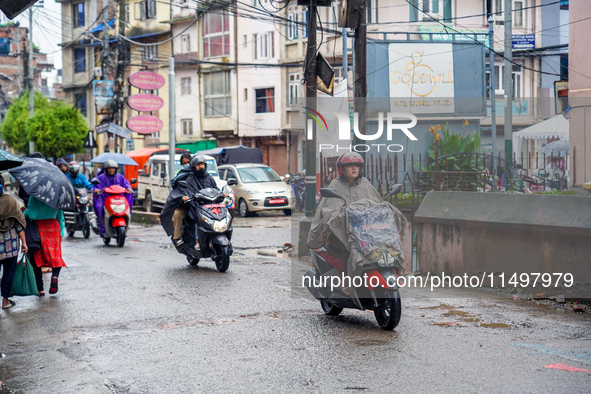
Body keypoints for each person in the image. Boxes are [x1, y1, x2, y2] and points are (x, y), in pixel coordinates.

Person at [307, 152, 383, 276]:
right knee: (350, 245)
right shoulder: (335, 185)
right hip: (340, 232)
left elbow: (377, 204)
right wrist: (342, 215)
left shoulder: (365, 184)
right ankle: (347, 281)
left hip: (364, 231)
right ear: (342, 169)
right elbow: (328, 211)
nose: (354, 168)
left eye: (357, 166)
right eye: (350, 166)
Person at [160, 155, 218, 249]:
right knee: (181, 214)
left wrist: (222, 194)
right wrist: (183, 198)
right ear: (193, 166)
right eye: (198, 165)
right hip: (193, 206)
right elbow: (181, 192)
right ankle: (184, 238)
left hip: (208, 206)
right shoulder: (187, 178)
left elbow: (215, 189)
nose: (201, 167)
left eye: (202, 164)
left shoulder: (209, 178)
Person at [24, 196, 66, 295]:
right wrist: (61, 233)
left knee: (36, 258)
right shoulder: (56, 197)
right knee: (55, 256)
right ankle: (55, 276)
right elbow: (60, 217)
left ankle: (40, 289)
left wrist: (25, 212)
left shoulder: (34, 197)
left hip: (39, 228)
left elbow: (32, 215)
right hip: (53, 227)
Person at [0, 176, 28, 308]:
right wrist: (24, 242)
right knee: (8, 273)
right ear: (3, 185)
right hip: (10, 247)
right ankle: (5, 301)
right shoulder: (10, 201)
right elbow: (18, 225)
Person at [92, 159, 133, 235]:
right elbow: (96, 186)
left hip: (119, 199)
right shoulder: (101, 177)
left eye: (113, 168)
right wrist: (96, 190)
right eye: (109, 168)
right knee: (100, 207)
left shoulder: (120, 177)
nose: (111, 170)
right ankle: (102, 225)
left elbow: (126, 184)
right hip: (105, 199)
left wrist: (129, 188)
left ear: (116, 169)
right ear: (106, 169)